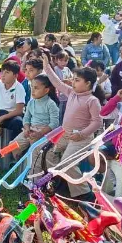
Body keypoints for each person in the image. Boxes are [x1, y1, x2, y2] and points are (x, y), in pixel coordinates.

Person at [42, 62, 103, 200]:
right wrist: (46, 66)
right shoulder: (72, 93)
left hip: (81, 139)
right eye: (73, 79)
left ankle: (84, 195)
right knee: (47, 152)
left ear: (88, 83)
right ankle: (60, 182)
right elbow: (56, 82)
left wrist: (81, 134)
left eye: (77, 80)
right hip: (65, 135)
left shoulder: (92, 100)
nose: (73, 82)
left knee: (67, 163)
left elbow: (97, 122)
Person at [9, 74, 60, 172]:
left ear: (46, 90)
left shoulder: (51, 104)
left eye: (36, 88)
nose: (32, 90)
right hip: (30, 130)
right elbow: (26, 118)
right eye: (31, 87)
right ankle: (22, 159)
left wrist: (40, 133)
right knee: (13, 145)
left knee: (37, 153)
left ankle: (39, 171)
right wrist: (27, 128)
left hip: (45, 133)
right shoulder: (31, 103)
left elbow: (54, 123)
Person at [0, 60, 25, 140]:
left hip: (12, 115)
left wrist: (2, 118)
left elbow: (19, 111)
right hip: (0, 113)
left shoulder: (19, 88)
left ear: (15, 75)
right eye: (2, 71)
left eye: (7, 72)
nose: (3, 75)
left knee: (18, 122)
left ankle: (12, 145)